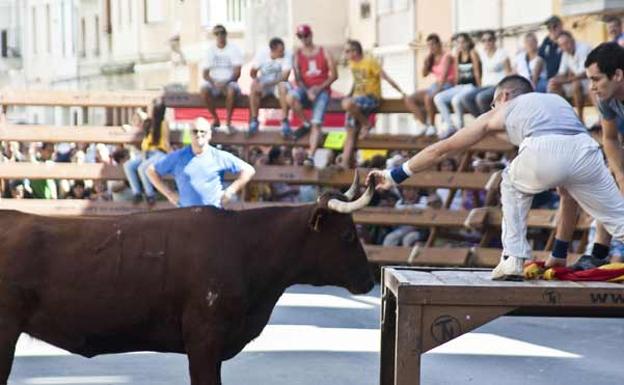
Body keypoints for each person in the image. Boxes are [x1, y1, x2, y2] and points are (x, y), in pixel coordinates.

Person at [367, 75, 624, 281]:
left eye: (493, 103)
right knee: (618, 219)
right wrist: (559, 254)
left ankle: (513, 258)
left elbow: (442, 149)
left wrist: (395, 175)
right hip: (585, 148)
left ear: (504, 96)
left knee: (510, 182)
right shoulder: (556, 102)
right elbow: (568, 198)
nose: (492, 110)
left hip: (543, 146)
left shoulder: (503, 108)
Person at [548, 42, 624, 270]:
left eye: (596, 79)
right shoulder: (605, 99)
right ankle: (599, 253)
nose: (591, 87)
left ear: (618, 75)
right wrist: (619, 175)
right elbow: (609, 139)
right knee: (607, 181)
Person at [147, 117, 255, 208]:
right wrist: (169, 194)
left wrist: (231, 190)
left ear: (209, 135)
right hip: (186, 214)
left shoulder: (219, 156)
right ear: (190, 134)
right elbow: (151, 171)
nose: (199, 134)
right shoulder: (178, 156)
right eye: (195, 131)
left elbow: (249, 170)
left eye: (203, 131)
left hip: (213, 214)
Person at [339, 39, 405, 170]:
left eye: (347, 51)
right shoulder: (352, 64)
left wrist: (401, 91)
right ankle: (345, 163)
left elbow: (385, 76)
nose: (345, 54)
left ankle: (366, 123)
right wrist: (350, 93)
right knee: (350, 131)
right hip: (358, 100)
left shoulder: (369, 61)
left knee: (346, 104)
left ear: (355, 51)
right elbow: (356, 81)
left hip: (371, 97)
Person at [287, 24, 338, 167]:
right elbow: (297, 78)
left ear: (311, 35)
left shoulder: (324, 51)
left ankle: (311, 156)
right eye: (300, 36)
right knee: (290, 97)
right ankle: (304, 122)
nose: (303, 39)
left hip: (322, 89)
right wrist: (308, 91)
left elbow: (334, 75)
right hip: (305, 88)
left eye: (306, 35)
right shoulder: (297, 54)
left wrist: (318, 89)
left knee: (317, 122)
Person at [405, 33, 456, 137]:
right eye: (429, 45)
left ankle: (432, 126)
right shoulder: (431, 58)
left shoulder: (447, 56)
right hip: (436, 85)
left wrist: (436, 91)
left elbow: (444, 77)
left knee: (428, 97)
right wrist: (426, 62)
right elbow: (424, 74)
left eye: (433, 44)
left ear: (439, 44)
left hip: (448, 85)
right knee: (410, 99)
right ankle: (425, 125)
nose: (431, 47)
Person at [433, 33, 481, 138]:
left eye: (463, 42)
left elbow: (477, 72)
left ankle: (460, 128)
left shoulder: (472, 53)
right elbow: (457, 74)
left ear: (468, 42)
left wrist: (479, 87)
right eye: (459, 42)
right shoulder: (458, 54)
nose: (461, 44)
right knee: (438, 97)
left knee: (456, 100)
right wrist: (455, 87)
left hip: (471, 86)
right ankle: (449, 125)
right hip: (460, 87)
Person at [123, 103, 170, 206]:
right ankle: (137, 193)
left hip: (160, 152)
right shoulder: (149, 123)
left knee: (142, 167)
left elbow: (165, 141)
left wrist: (171, 155)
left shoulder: (163, 123)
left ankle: (150, 195)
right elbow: (144, 138)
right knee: (128, 165)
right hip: (147, 153)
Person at [201, 24, 243, 135]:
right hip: (214, 82)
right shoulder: (210, 50)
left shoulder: (234, 49)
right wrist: (214, 82)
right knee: (204, 90)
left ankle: (228, 122)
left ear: (225, 34)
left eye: (222, 33)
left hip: (230, 81)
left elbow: (237, 72)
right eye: (217, 33)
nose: (220, 36)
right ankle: (215, 119)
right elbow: (205, 74)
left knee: (231, 90)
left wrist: (225, 82)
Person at [248, 37, 292, 137]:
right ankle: (254, 120)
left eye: (283, 50)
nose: (283, 53)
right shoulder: (262, 54)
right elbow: (252, 72)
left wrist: (265, 84)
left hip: (278, 83)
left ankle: (285, 121)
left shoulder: (287, 54)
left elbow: (284, 76)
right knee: (253, 87)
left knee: (282, 87)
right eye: (280, 51)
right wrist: (257, 81)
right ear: (273, 50)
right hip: (264, 82)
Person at [460, 30, 511, 116]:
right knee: (465, 98)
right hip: (486, 86)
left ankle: (489, 121)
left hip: (498, 85)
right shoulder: (482, 54)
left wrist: (506, 88)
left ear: (494, 40)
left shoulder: (502, 53)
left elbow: (508, 72)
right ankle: (481, 120)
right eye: (484, 40)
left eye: (489, 39)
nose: (487, 42)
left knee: (481, 98)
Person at [547, 30, 593, 123]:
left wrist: (565, 80)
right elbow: (561, 72)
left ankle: (580, 119)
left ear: (572, 40)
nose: (565, 46)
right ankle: (565, 118)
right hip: (578, 81)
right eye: (562, 45)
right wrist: (554, 80)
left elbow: (584, 73)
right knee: (554, 87)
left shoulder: (584, 48)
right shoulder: (565, 53)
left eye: (566, 43)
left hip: (590, 80)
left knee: (576, 84)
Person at [539, 15, 563, 80]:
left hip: (563, 78)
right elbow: (540, 59)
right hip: (549, 78)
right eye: (549, 27)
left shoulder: (566, 38)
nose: (552, 30)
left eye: (554, 27)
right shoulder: (547, 41)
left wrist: (556, 41)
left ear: (560, 26)